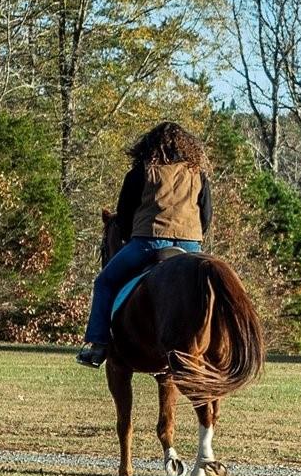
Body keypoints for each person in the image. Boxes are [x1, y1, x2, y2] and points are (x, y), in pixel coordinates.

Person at [75, 121, 212, 368]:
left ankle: (97, 344)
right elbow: (207, 215)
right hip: (191, 247)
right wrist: (192, 238)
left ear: (149, 146)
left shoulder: (142, 171)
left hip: (149, 242)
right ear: (188, 147)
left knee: (104, 282)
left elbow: (124, 214)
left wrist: (130, 236)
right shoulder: (198, 174)